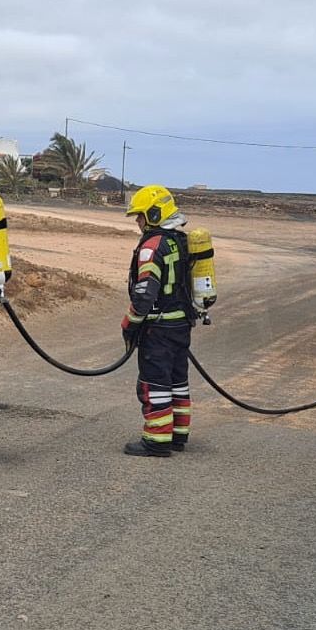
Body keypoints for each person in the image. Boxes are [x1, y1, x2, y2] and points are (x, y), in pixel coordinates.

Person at [121, 185, 195, 456]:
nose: (138, 223)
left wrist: (129, 324)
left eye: (140, 216)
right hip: (181, 325)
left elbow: (144, 295)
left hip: (158, 329)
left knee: (155, 383)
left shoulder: (152, 247)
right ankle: (177, 434)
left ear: (153, 214)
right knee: (177, 380)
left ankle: (156, 440)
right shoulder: (179, 240)